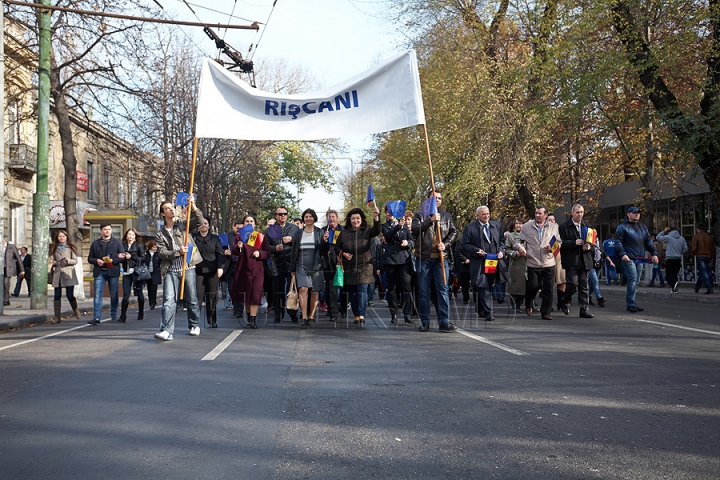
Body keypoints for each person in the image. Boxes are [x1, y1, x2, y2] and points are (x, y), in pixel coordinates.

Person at [154, 200, 204, 340]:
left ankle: (194, 324)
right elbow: (162, 253)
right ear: (163, 213)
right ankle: (166, 330)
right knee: (169, 300)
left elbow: (200, 221)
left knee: (192, 298)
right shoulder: (160, 234)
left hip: (188, 267)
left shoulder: (182, 225)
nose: (171, 210)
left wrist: (194, 206)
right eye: (167, 208)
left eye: (172, 207)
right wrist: (178, 252)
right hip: (171, 270)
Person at [411, 191, 458, 332]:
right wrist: (430, 220)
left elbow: (454, 232)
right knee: (423, 291)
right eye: (434, 197)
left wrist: (446, 244)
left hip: (441, 260)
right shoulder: (419, 215)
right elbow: (414, 230)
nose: (437, 200)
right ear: (428, 200)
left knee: (443, 290)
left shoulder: (447, 216)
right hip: (423, 259)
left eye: (439, 198)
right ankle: (424, 321)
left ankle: (444, 321)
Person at [459, 206, 506, 321]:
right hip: (479, 261)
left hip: (492, 260)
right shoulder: (470, 228)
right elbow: (465, 245)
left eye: (488, 214)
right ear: (477, 216)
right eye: (483, 214)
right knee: (482, 284)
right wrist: (476, 251)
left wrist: (501, 251)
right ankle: (489, 312)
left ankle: (481, 309)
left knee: (488, 284)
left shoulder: (496, 226)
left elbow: (501, 242)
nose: (486, 216)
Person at [337, 206, 381, 325]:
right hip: (350, 266)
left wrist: (376, 217)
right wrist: (344, 253)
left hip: (365, 266)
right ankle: (356, 314)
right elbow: (336, 247)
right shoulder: (343, 233)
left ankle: (361, 314)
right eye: (353, 218)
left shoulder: (367, 230)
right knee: (353, 292)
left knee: (362, 290)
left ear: (361, 219)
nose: (355, 221)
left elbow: (377, 230)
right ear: (349, 220)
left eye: (358, 218)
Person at [514, 206, 560, 320]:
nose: (537, 215)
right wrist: (520, 247)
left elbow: (559, 243)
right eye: (536, 213)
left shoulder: (554, 227)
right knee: (533, 286)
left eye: (540, 213)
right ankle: (528, 303)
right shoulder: (527, 226)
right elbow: (517, 240)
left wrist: (552, 247)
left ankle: (546, 312)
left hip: (548, 261)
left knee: (548, 289)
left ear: (546, 215)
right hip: (532, 262)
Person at [614, 206, 659, 312]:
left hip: (639, 258)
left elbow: (648, 241)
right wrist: (622, 254)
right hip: (628, 257)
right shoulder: (622, 227)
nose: (637, 214)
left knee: (637, 280)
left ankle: (632, 301)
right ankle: (630, 303)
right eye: (634, 213)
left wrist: (654, 253)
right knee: (633, 279)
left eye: (638, 212)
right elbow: (618, 241)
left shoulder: (642, 227)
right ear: (628, 214)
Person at [231, 215, 270, 329]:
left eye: (251, 221)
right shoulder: (239, 237)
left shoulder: (260, 237)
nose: (249, 223)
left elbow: (267, 252)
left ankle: (253, 318)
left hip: (257, 270)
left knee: (255, 293)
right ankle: (248, 314)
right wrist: (239, 247)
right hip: (243, 268)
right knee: (245, 294)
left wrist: (260, 254)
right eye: (246, 221)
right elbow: (234, 251)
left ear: (255, 224)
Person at [289, 209, 326, 327]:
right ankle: (304, 316)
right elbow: (293, 251)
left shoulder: (320, 232)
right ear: (303, 219)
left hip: (316, 265)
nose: (308, 218)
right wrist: (292, 268)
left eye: (311, 216)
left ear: (314, 218)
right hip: (301, 264)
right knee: (303, 289)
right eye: (306, 216)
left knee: (314, 291)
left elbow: (324, 252)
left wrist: (325, 241)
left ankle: (311, 315)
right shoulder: (298, 234)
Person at [558, 204, 594, 318]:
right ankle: (565, 301)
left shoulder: (587, 226)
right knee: (572, 284)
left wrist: (589, 246)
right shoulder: (564, 227)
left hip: (585, 260)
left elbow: (592, 241)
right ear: (572, 213)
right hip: (571, 260)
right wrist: (574, 243)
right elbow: (560, 242)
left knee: (584, 286)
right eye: (577, 212)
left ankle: (584, 309)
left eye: (582, 212)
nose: (580, 215)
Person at [381, 204, 415, 325]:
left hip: (404, 259)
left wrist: (408, 242)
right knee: (392, 288)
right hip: (390, 260)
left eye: (391, 211)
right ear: (385, 214)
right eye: (387, 212)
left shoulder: (404, 225)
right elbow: (388, 236)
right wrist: (398, 226)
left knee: (406, 286)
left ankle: (407, 314)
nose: (390, 213)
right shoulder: (384, 226)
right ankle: (393, 313)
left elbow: (412, 240)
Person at [266, 206, 300, 323]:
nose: (283, 216)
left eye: (285, 214)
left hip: (291, 262)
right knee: (277, 290)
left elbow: (300, 242)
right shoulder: (270, 229)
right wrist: (274, 248)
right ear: (275, 216)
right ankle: (278, 314)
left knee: (292, 290)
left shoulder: (294, 229)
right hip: (276, 263)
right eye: (280, 214)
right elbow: (265, 247)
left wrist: (292, 239)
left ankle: (292, 313)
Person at [87, 224, 125, 324]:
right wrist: (96, 261)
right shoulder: (95, 243)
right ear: (101, 231)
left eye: (109, 229)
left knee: (114, 294)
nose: (107, 231)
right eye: (105, 229)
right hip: (100, 271)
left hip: (113, 271)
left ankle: (113, 315)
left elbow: (122, 257)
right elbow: (90, 258)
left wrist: (113, 260)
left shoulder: (116, 242)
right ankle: (96, 318)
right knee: (98, 294)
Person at [192, 218, 226, 328]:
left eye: (205, 223)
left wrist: (220, 267)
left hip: (212, 271)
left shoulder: (215, 238)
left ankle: (212, 320)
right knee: (198, 296)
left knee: (212, 296)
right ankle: (195, 322)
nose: (203, 225)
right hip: (197, 270)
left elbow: (220, 254)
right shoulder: (193, 237)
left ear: (209, 226)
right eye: (201, 223)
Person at [49, 231, 81, 323]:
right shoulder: (55, 248)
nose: (62, 238)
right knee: (57, 295)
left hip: (68, 273)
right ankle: (57, 317)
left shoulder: (71, 247)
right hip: (58, 273)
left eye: (63, 236)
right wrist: (54, 263)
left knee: (69, 295)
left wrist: (68, 260)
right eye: (60, 236)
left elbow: (75, 261)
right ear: (57, 238)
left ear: (67, 237)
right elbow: (54, 260)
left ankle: (76, 310)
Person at [119, 228, 146, 322]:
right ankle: (123, 316)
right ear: (126, 235)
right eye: (129, 234)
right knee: (126, 294)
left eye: (132, 235)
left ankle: (141, 312)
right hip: (126, 272)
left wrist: (132, 257)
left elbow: (143, 259)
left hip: (137, 272)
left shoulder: (139, 246)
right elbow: (119, 258)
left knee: (139, 293)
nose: (130, 236)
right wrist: (120, 257)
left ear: (135, 236)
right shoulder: (122, 246)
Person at [322, 210, 343, 322]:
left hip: (342, 263)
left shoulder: (343, 230)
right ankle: (333, 312)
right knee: (331, 290)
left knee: (344, 289)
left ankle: (343, 309)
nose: (332, 219)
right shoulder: (323, 231)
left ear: (337, 218)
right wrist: (324, 241)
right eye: (329, 217)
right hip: (329, 264)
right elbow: (321, 250)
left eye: (333, 217)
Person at [656, 227, 688, 293]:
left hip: (670, 258)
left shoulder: (669, 237)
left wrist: (664, 230)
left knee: (668, 274)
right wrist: (680, 252)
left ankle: (675, 283)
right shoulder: (682, 238)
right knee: (674, 274)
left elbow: (658, 237)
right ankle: (674, 289)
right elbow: (685, 248)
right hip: (678, 259)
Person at [505, 218, 526, 314]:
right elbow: (506, 249)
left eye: (520, 223)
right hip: (515, 264)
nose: (518, 225)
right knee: (513, 285)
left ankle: (520, 303)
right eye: (516, 223)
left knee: (524, 286)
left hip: (526, 263)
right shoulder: (511, 236)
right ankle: (514, 303)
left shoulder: (528, 235)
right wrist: (515, 253)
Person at [690, 223, 715, 294]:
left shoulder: (696, 237)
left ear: (698, 229)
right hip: (708, 256)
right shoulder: (709, 237)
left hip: (700, 256)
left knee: (704, 272)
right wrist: (711, 257)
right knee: (704, 272)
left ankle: (709, 287)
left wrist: (691, 256)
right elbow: (712, 248)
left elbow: (694, 247)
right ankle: (697, 287)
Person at [3, 240, 23, 305]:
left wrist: (22, 269)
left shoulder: (11, 247)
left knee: (6, 283)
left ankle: (6, 300)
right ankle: (4, 299)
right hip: (1, 267)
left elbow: (18, 258)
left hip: (8, 268)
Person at [587, 238, 606, 308]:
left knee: (592, 283)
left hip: (599, 265)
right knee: (595, 281)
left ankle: (589, 297)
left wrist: (610, 261)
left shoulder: (599, 242)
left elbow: (603, 252)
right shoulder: (589, 242)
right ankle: (599, 298)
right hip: (591, 265)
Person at [143, 240, 162, 309]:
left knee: (154, 287)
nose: (155, 248)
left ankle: (153, 302)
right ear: (150, 247)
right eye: (154, 247)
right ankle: (151, 301)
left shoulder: (158, 254)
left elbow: (160, 262)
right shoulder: (146, 253)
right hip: (148, 272)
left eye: (156, 247)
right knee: (149, 287)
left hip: (155, 272)